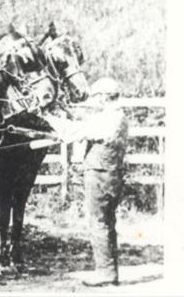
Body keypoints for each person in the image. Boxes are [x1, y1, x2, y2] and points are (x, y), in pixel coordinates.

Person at [48, 77, 128, 286]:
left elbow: (74, 131)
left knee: (98, 223)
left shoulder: (107, 119)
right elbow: (87, 123)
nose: (94, 102)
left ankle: (105, 274)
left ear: (103, 98)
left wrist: (46, 116)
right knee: (107, 223)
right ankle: (109, 272)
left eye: (96, 98)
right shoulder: (118, 116)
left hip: (100, 175)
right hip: (111, 175)